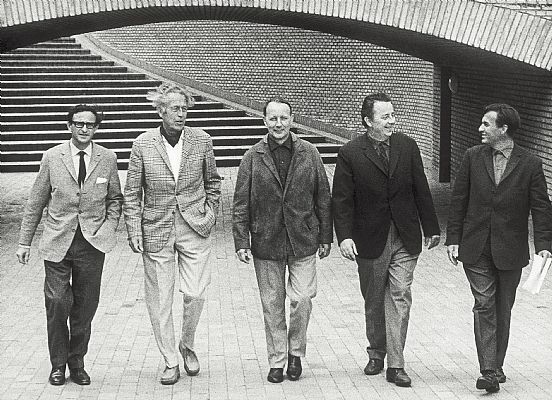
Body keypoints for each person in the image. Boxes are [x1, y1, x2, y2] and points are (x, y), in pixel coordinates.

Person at [332, 93, 440, 387]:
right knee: (374, 299)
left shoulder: (407, 146)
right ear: (368, 121)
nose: (392, 121)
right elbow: (342, 200)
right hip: (369, 237)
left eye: (393, 115)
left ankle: (396, 364)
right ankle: (376, 351)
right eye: (385, 117)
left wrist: (431, 227)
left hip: (405, 235)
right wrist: (344, 237)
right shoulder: (351, 152)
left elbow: (421, 187)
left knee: (400, 295)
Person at [446, 103, 552, 393]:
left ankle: (496, 364)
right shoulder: (471, 157)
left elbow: (541, 207)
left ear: (503, 128)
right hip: (475, 246)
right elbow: (459, 200)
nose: (480, 128)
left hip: (510, 249)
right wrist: (453, 237)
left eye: (486, 124)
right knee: (484, 305)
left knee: (502, 308)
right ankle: (489, 371)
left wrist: (544, 245)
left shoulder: (530, 163)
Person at [16, 104, 123, 386]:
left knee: (85, 306)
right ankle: (58, 364)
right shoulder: (53, 157)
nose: (84, 129)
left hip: (92, 243)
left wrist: (109, 228)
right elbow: (36, 201)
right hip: (57, 241)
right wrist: (24, 242)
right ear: (69, 126)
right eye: (79, 124)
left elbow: (115, 199)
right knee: (57, 302)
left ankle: (77, 362)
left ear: (96, 128)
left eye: (90, 125)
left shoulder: (107, 158)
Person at [123, 83, 221, 385]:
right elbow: (131, 192)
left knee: (195, 292)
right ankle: (169, 359)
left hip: (194, 225)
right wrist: (133, 228)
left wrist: (211, 213)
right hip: (157, 228)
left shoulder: (201, 140)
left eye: (185, 108)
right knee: (160, 298)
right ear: (161, 110)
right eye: (176, 108)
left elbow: (213, 183)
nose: (182, 113)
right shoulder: (143, 144)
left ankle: (187, 344)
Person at [232, 98, 332, 383]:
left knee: (302, 299)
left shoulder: (309, 153)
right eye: (273, 119)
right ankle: (277, 360)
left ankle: (295, 353)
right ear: (265, 121)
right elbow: (241, 202)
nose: (278, 124)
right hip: (266, 240)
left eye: (283, 118)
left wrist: (326, 236)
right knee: (272, 305)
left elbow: (323, 197)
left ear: (292, 119)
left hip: (303, 239)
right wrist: (242, 241)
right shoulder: (253, 156)